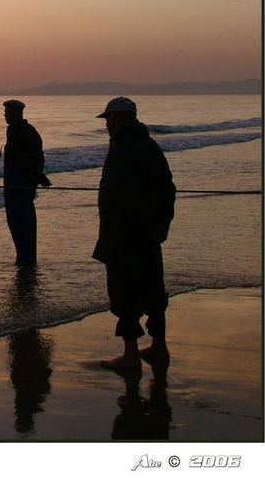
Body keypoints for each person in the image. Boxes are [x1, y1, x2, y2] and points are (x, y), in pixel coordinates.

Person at [92, 97, 176, 370]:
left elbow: (119, 195)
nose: (106, 126)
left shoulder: (121, 149)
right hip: (150, 234)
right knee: (153, 291)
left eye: (108, 120)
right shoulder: (150, 145)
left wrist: (113, 233)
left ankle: (130, 355)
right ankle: (159, 347)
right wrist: (162, 224)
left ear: (118, 119)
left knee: (124, 294)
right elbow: (168, 189)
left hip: (124, 234)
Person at [2, 99, 51, 266]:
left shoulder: (23, 132)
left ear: (17, 114)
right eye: (5, 113)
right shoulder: (17, 131)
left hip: (19, 187)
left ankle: (26, 262)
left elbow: (30, 159)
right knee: (19, 224)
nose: (5, 116)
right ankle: (25, 259)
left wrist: (37, 177)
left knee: (21, 224)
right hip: (15, 187)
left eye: (9, 113)